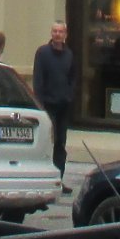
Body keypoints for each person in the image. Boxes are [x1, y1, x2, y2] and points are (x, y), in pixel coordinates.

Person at [31, 21, 77, 184]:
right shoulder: (42, 53)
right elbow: (38, 79)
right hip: (47, 105)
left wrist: (69, 95)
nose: (57, 34)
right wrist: (40, 103)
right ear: (51, 33)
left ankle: (59, 178)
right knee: (46, 141)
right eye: (55, 31)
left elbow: (72, 77)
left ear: (65, 34)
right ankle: (43, 177)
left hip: (63, 105)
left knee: (60, 142)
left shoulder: (69, 55)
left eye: (60, 31)